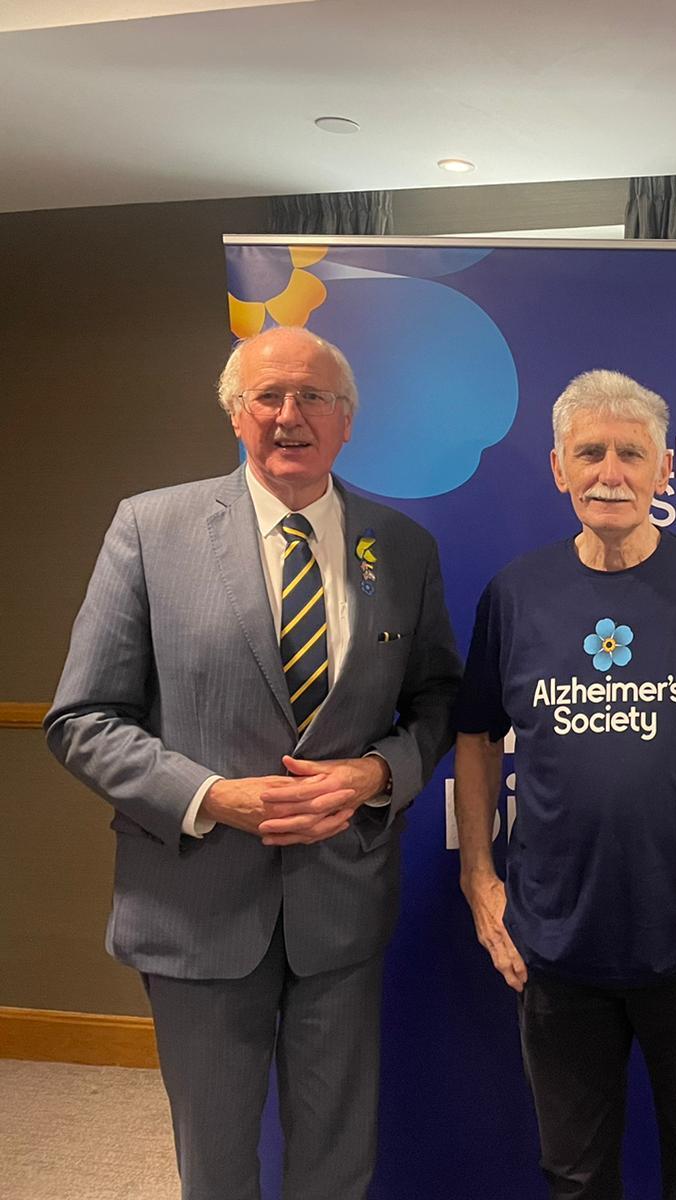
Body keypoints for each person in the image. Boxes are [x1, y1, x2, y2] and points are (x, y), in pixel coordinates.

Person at [45, 325, 461, 1200]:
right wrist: (210, 796)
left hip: (342, 911)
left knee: (337, 1161)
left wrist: (376, 775)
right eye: (266, 397)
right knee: (218, 1164)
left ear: (347, 421)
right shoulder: (150, 529)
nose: (289, 415)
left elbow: (437, 704)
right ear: (236, 414)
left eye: (312, 396)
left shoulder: (403, 548)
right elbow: (82, 717)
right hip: (196, 906)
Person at [453, 368, 676, 1200]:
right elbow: (474, 735)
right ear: (558, 468)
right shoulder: (516, 593)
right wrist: (478, 877)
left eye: (630, 454)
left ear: (665, 470)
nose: (610, 472)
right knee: (573, 1175)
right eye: (590, 453)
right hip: (557, 944)